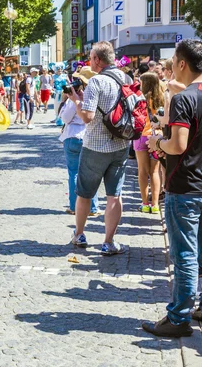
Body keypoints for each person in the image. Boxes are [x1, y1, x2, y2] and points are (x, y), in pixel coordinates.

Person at [143, 39, 202, 338]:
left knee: (185, 256)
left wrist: (157, 143)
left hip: (186, 185)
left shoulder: (184, 99)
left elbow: (177, 144)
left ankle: (179, 318)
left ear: (181, 63)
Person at [69, 41, 132, 255]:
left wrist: (77, 100)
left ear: (97, 59)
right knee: (114, 195)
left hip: (95, 146)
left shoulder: (96, 82)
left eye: (91, 57)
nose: (89, 61)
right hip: (122, 143)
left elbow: (87, 117)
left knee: (85, 193)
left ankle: (79, 234)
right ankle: (108, 242)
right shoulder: (127, 79)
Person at [58, 67, 100, 216]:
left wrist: (70, 101)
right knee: (90, 174)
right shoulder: (94, 96)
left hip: (73, 136)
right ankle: (93, 207)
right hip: (89, 137)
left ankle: (75, 207)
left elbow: (65, 118)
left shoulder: (75, 98)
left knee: (74, 173)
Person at [133, 72, 164, 214]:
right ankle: (155, 204)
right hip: (156, 137)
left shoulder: (140, 98)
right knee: (155, 172)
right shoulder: (161, 99)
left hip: (141, 136)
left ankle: (145, 203)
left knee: (142, 171)